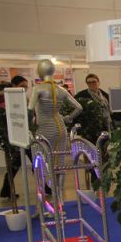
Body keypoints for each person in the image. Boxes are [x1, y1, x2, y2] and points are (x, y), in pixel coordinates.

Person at [28, 59, 82, 201]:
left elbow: (30, 110)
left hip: (44, 129)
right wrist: (68, 118)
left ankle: (47, 197)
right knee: (60, 162)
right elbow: (79, 107)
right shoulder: (61, 90)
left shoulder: (38, 88)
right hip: (60, 129)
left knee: (43, 162)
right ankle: (59, 196)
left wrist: (29, 126)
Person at [0, 76, 31, 199]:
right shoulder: (7, 100)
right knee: (15, 165)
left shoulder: (24, 99)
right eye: (22, 86)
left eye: (26, 86)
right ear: (14, 86)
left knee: (34, 162)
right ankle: (7, 189)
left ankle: (45, 187)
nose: (25, 88)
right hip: (16, 137)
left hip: (25, 135)